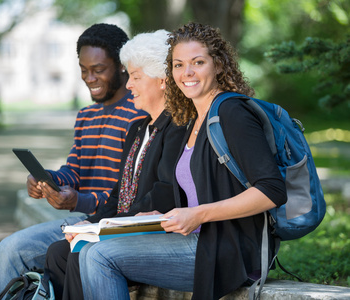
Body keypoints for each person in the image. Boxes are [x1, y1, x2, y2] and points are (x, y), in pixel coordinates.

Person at [77, 22, 288, 300]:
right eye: (178, 64)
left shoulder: (231, 112)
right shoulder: (194, 119)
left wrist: (199, 214)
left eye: (197, 62)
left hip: (229, 249)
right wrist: (162, 215)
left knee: (100, 255)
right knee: (88, 248)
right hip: (197, 239)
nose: (187, 73)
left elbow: (272, 190)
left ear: (219, 66)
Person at [0, 23, 147, 300]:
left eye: (98, 69)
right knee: (9, 246)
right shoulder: (86, 116)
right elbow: (73, 170)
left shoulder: (139, 114)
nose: (89, 78)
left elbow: (128, 196)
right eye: (84, 70)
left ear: (122, 66)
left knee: (14, 250)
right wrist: (48, 180)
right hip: (81, 219)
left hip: (112, 224)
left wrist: (78, 201)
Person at [44, 29, 187, 300]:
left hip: (149, 230)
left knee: (82, 250)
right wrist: (89, 224)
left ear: (162, 81)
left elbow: (163, 195)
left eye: (135, 77)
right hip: (122, 224)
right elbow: (118, 195)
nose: (128, 85)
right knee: (59, 251)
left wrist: (104, 227)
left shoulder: (178, 127)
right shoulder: (138, 128)